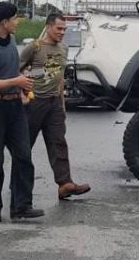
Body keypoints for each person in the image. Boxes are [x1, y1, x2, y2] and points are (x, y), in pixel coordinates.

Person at [0, 1, 42, 223]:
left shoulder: (12, 42)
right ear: (4, 22)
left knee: (24, 157)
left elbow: (12, 72)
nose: (17, 22)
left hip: (16, 107)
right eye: (14, 18)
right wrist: (15, 81)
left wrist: (22, 87)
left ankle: (22, 206)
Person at [19, 13, 91, 200]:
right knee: (24, 146)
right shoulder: (34, 47)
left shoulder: (63, 49)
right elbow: (16, 71)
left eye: (64, 29)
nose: (62, 32)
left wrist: (62, 105)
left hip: (55, 103)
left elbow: (58, 77)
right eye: (59, 28)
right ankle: (18, 186)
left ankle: (65, 184)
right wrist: (22, 95)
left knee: (58, 142)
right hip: (35, 102)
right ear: (48, 26)